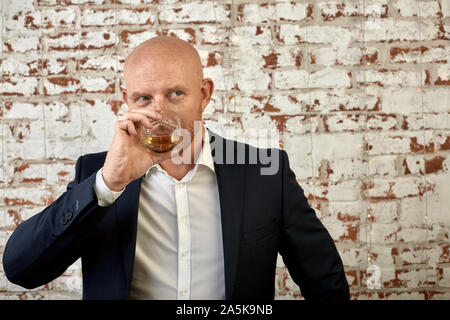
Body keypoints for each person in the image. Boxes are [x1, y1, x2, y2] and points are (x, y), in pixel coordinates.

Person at [2, 36, 349, 300]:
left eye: (176, 94)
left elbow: (325, 281)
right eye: (144, 99)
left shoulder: (264, 172)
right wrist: (108, 184)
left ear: (204, 93)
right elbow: (21, 270)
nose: (159, 114)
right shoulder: (99, 175)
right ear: (127, 102)